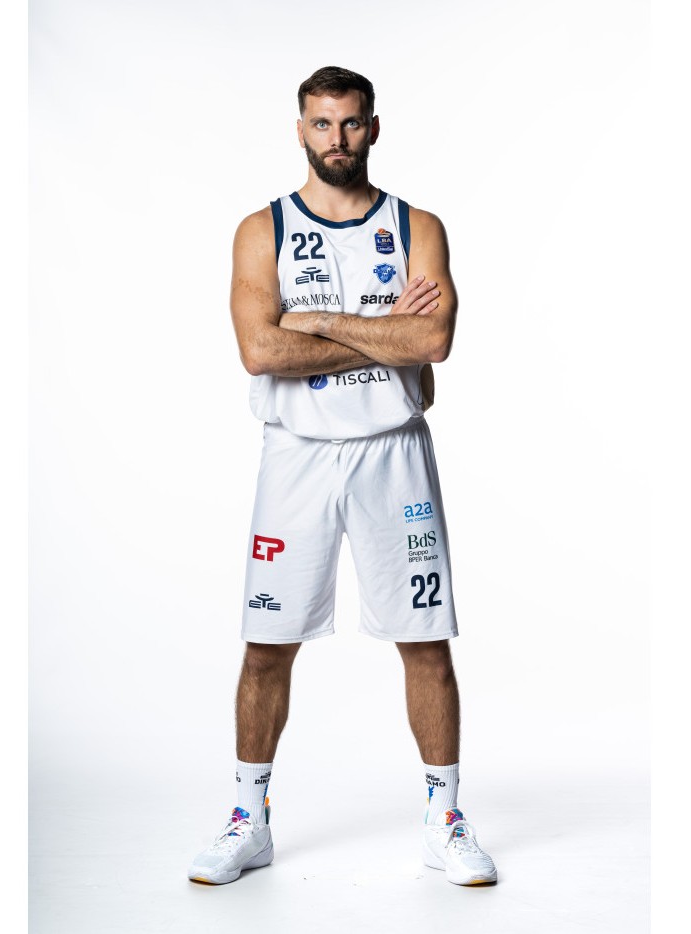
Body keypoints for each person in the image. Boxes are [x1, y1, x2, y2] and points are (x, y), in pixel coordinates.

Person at [188, 66, 497, 888]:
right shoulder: (262, 230)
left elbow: (431, 342)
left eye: (351, 123)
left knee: (425, 641)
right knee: (266, 646)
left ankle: (444, 820)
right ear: (299, 129)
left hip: (393, 450)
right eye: (321, 124)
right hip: (296, 455)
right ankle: (248, 821)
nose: (337, 138)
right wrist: (379, 329)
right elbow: (260, 349)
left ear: (373, 128)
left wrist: (317, 318)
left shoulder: (415, 226)